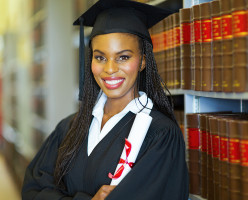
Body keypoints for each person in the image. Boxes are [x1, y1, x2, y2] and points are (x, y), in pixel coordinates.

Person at [21, 0, 189, 199]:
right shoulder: (70, 127)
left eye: (123, 57)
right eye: (100, 57)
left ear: (143, 61)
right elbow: (32, 190)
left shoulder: (161, 136)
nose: (109, 69)